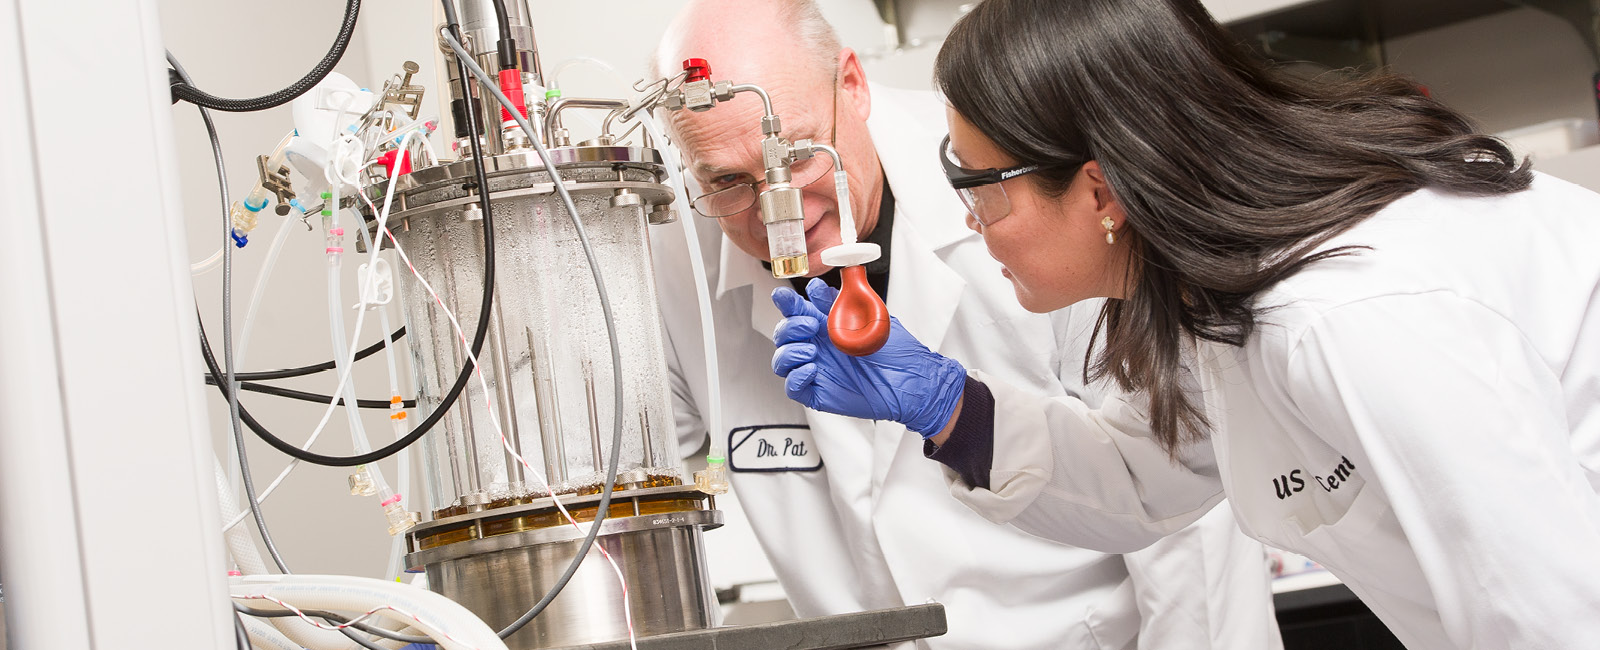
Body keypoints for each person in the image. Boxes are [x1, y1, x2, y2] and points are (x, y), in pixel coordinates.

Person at [770, 0, 1600, 647]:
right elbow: (1143, 478)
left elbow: (1554, 622)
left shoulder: (1352, 314)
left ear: (1099, 193)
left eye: (982, 187)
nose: (970, 219)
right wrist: (951, 408)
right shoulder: (1220, 302)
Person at [649, 1, 1282, 648]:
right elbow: (628, 489)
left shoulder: (1015, 177)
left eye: (798, 156)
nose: (777, 211)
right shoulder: (670, 255)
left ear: (852, 85)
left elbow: (1177, 502)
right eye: (728, 180)